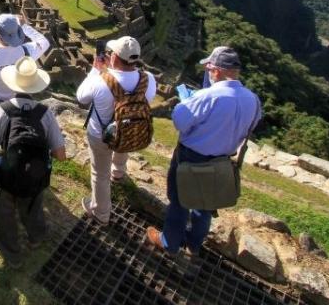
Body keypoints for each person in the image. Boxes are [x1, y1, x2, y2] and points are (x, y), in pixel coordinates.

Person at [146, 46, 261, 255]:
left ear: (216, 70)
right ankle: (193, 244)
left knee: (180, 200)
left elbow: (180, 122)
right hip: (222, 160)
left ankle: (169, 243)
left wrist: (188, 102)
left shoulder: (208, 96)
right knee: (205, 204)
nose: (207, 71)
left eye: (209, 67)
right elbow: (251, 125)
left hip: (191, 156)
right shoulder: (252, 100)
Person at [0, 56, 66, 267]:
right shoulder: (45, 114)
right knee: (33, 206)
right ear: (35, 86)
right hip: (34, 175)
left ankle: (13, 255)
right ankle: (36, 237)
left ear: (12, 84)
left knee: (5, 215)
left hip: (4, 177)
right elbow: (60, 154)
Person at [76, 36, 157, 225]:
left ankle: (101, 212)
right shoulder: (148, 79)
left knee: (99, 174)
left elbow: (81, 97)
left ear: (114, 58)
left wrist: (95, 70)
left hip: (100, 135)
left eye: (111, 53)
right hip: (130, 129)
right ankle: (119, 172)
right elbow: (148, 99)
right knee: (125, 134)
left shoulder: (100, 80)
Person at [0, 13, 50, 128]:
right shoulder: (27, 52)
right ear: (18, 34)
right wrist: (25, 27)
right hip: (18, 108)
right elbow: (44, 43)